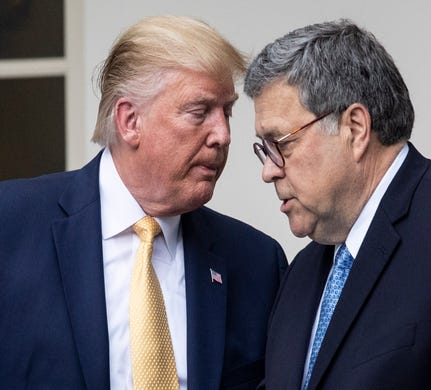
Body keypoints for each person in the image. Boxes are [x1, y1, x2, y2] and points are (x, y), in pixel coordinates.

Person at [0, 15, 287, 389]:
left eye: (227, 112)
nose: (223, 135)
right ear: (130, 120)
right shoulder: (11, 226)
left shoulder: (256, 262)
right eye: (200, 113)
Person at [244, 18, 431, 389]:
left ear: (355, 129)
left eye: (282, 144)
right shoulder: (303, 271)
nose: (269, 171)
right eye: (265, 150)